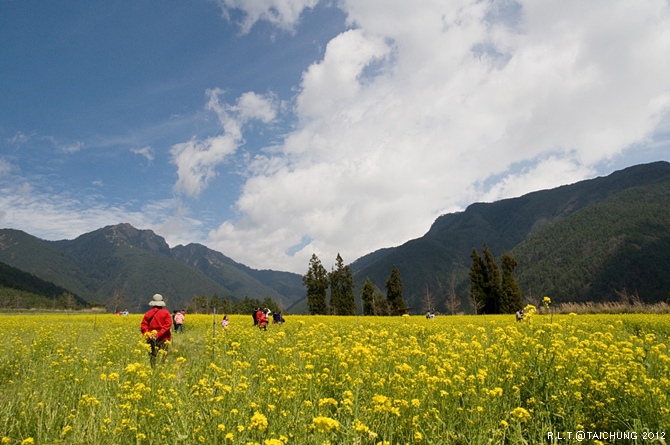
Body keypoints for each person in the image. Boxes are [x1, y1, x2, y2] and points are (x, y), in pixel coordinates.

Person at [140, 294, 172, 367]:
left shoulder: (148, 313)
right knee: (162, 358)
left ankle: (153, 370)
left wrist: (149, 334)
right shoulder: (166, 313)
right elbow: (167, 326)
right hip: (164, 339)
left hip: (150, 338)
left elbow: (143, 326)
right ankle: (161, 370)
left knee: (152, 356)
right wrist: (158, 335)